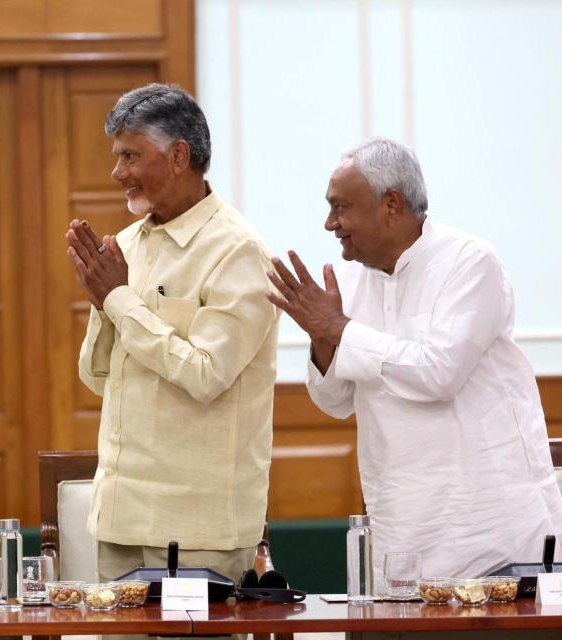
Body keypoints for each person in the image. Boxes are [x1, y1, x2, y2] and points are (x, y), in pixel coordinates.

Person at [266, 136, 562, 584]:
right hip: (404, 537)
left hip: (493, 534)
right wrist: (322, 339)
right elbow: (336, 401)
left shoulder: (469, 262)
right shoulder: (348, 280)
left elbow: (439, 374)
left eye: (341, 207)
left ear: (391, 204)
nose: (330, 223)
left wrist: (340, 329)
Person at [66, 83, 280, 583]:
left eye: (130, 156)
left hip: (199, 532)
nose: (117, 173)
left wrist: (119, 300)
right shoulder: (127, 243)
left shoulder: (238, 251)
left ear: (178, 155)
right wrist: (104, 303)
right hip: (120, 521)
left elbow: (206, 375)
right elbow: (99, 377)